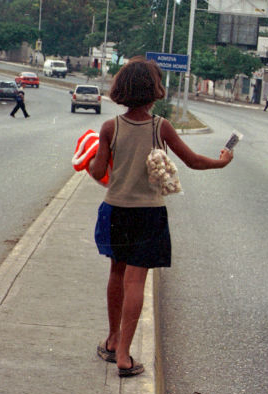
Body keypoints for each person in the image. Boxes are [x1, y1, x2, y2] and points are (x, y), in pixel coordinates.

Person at [89, 57, 233, 377]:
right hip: (148, 213)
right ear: (154, 90)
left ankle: (112, 340)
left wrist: (88, 161)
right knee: (136, 280)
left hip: (115, 210)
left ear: (122, 88)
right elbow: (193, 161)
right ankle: (125, 355)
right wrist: (222, 161)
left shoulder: (110, 127)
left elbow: (98, 171)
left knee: (116, 273)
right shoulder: (160, 127)